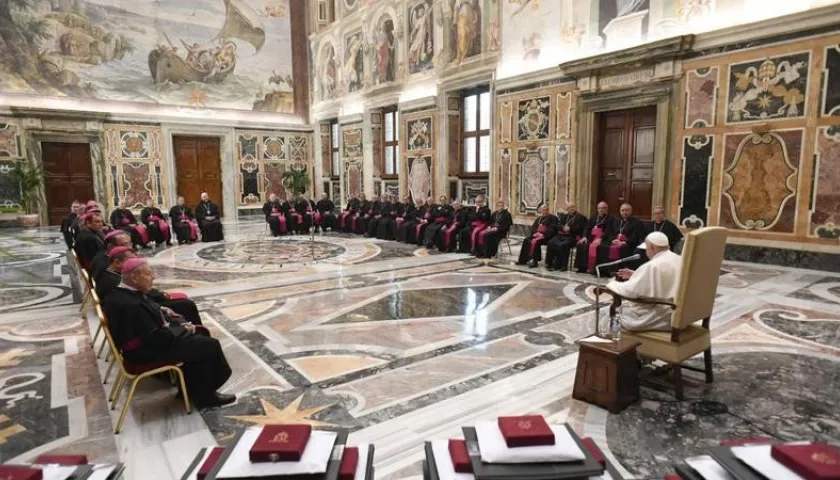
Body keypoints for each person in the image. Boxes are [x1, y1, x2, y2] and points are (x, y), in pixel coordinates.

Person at [102, 258, 234, 408]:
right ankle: (205, 397)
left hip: (145, 345)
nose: (153, 277)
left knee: (198, 337)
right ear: (134, 277)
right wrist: (182, 329)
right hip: (143, 353)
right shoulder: (130, 305)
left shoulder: (122, 294)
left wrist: (166, 315)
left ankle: (191, 389)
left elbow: (150, 322)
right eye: (149, 274)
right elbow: (156, 337)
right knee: (209, 345)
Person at [96, 248, 203, 326]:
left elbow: (140, 296)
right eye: (148, 274)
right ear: (117, 262)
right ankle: (198, 331)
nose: (153, 277)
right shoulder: (112, 283)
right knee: (187, 305)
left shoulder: (117, 278)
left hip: (151, 309)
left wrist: (159, 307)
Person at [600, 231, 683, 331]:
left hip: (659, 317)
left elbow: (631, 291)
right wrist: (635, 274)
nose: (646, 253)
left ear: (652, 247)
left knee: (610, 314)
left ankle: (613, 344)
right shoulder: (679, 259)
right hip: (677, 312)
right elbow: (664, 278)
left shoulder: (652, 266)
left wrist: (612, 284)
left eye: (647, 249)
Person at [575, 201, 615, 274]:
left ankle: (597, 269)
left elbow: (609, 230)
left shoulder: (611, 218)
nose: (601, 210)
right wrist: (584, 237)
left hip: (604, 239)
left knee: (601, 247)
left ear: (606, 209)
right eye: (599, 208)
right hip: (592, 238)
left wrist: (601, 238)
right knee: (582, 245)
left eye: (603, 208)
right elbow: (587, 228)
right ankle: (582, 267)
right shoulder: (593, 217)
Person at [545, 203, 588, 271]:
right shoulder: (564, 216)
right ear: (567, 209)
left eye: (573, 207)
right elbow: (558, 225)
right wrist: (562, 228)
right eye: (570, 207)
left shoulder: (581, 217)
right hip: (562, 235)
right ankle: (550, 263)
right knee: (551, 242)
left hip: (573, 236)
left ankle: (563, 265)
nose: (572, 208)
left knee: (564, 245)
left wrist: (570, 229)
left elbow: (581, 228)